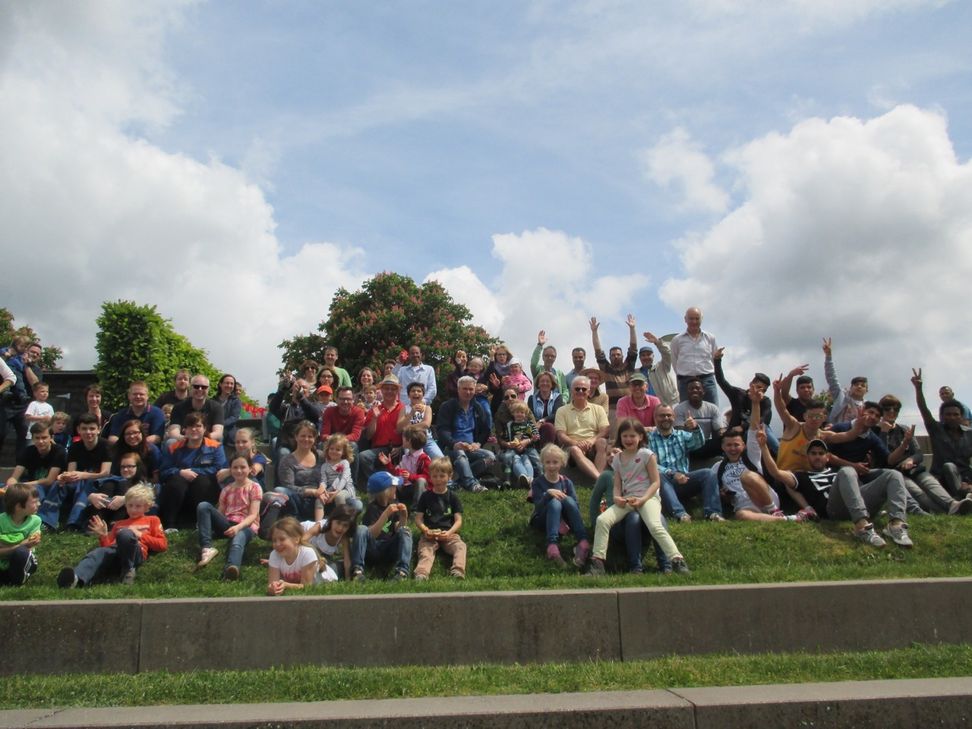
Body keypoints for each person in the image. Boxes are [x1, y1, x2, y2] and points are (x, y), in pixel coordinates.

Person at [759, 436, 913, 548]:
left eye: (821, 453)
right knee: (847, 471)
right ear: (808, 457)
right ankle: (862, 527)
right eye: (813, 453)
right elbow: (776, 473)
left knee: (893, 474)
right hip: (834, 509)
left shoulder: (837, 471)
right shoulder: (802, 476)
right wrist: (764, 446)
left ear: (827, 457)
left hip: (861, 502)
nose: (817, 456)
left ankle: (896, 525)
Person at [588, 418, 689, 576]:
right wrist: (616, 498)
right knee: (602, 520)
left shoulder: (646, 455)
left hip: (648, 498)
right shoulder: (617, 460)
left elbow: (656, 482)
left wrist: (643, 499)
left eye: (632, 436)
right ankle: (597, 563)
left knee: (655, 525)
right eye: (625, 436)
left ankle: (677, 560)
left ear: (641, 437)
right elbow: (617, 485)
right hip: (628, 499)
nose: (628, 440)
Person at [875, 393, 972, 515]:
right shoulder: (874, 430)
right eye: (887, 409)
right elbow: (883, 458)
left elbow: (918, 453)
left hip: (912, 469)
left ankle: (953, 505)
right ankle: (944, 511)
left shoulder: (904, 429)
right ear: (881, 411)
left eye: (896, 409)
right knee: (917, 491)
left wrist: (911, 460)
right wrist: (884, 432)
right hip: (893, 472)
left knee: (930, 484)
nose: (892, 411)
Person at [57, 484, 168, 588]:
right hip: (116, 552)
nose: (133, 509)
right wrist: (103, 535)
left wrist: (140, 535)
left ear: (147, 507)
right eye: (130, 505)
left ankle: (128, 569)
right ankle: (76, 579)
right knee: (98, 552)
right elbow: (108, 546)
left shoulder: (152, 520)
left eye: (138, 506)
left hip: (135, 552)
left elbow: (162, 545)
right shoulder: (119, 524)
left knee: (125, 534)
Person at [713, 387, 795, 522]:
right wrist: (723, 495)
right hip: (745, 506)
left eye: (736, 445)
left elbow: (753, 428)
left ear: (743, 446)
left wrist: (755, 403)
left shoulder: (750, 456)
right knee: (741, 515)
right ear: (723, 447)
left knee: (747, 476)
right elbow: (714, 489)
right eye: (729, 445)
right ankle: (787, 519)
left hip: (765, 498)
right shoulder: (717, 467)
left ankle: (773, 510)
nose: (733, 448)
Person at [649, 405, 722, 522]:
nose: (666, 418)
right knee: (660, 476)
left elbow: (698, 443)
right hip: (661, 484)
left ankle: (713, 513)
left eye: (669, 415)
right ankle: (680, 514)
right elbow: (650, 464)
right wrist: (672, 474)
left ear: (674, 417)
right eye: (662, 415)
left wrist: (695, 428)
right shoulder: (648, 438)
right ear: (655, 418)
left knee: (708, 473)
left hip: (684, 480)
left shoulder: (681, 435)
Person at [196, 453, 262, 580]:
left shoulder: (254, 487)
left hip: (246, 525)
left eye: (243, 467)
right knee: (203, 505)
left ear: (250, 468)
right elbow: (220, 512)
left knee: (238, 541)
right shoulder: (226, 489)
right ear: (230, 470)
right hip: (227, 523)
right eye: (235, 467)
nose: (239, 470)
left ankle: (231, 568)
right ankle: (207, 548)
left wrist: (238, 528)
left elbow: (253, 515)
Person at [158, 413, 227, 529]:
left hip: (205, 490)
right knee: (177, 480)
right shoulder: (173, 447)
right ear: (184, 429)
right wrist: (180, 472)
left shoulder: (216, 446)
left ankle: (201, 522)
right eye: (190, 426)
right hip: (179, 491)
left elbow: (219, 469)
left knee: (202, 480)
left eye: (198, 426)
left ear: (205, 428)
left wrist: (193, 471)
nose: (194, 429)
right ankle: (170, 524)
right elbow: (164, 471)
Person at [912, 368, 972, 498]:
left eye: (955, 415)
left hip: (966, 478)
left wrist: (969, 482)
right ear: (942, 417)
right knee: (949, 466)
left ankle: (966, 494)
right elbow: (923, 409)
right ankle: (962, 499)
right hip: (942, 478)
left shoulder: (969, 434)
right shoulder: (936, 430)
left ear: (961, 416)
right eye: (948, 415)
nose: (952, 417)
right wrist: (918, 388)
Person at [529, 443, 590, 567]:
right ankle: (552, 545)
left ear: (562, 463)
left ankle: (583, 542)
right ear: (543, 463)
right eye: (548, 462)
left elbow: (575, 507)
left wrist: (564, 499)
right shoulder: (538, 482)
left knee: (566, 500)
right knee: (555, 501)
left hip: (563, 520)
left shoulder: (566, 482)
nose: (551, 466)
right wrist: (548, 494)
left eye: (555, 462)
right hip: (542, 519)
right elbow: (538, 507)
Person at [49, 413, 113, 531]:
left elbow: (105, 473)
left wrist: (83, 475)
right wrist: (64, 477)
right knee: (58, 484)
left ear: (99, 430)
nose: (88, 432)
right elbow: (71, 471)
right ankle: (47, 521)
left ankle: (74, 522)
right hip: (77, 481)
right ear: (78, 430)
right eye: (84, 429)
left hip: (97, 483)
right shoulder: (75, 447)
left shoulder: (106, 445)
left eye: (92, 428)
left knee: (86, 483)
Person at [435, 376, 496, 492]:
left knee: (491, 457)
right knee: (460, 454)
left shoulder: (477, 407)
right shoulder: (447, 406)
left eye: (471, 389)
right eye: (465, 389)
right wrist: (454, 443)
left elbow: (485, 430)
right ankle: (472, 485)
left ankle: (458, 482)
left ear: (475, 390)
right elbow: (442, 430)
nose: (468, 392)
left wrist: (478, 443)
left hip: (471, 447)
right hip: (451, 447)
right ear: (458, 390)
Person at [350, 471, 412, 582]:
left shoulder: (394, 505)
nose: (396, 488)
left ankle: (402, 573)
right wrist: (385, 515)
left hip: (388, 549)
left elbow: (398, 529)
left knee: (405, 531)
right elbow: (372, 534)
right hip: (373, 548)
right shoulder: (372, 508)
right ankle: (357, 571)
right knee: (362, 529)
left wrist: (403, 517)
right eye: (394, 486)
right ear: (386, 491)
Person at [414, 457, 467, 580]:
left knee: (460, 546)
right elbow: (418, 519)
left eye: (442, 476)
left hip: (448, 533)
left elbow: (458, 520)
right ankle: (421, 573)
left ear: (450, 476)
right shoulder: (425, 496)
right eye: (434, 476)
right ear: (430, 477)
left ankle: (458, 570)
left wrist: (449, 533)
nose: (438, 480)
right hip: (430, 533)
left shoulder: (453, 497)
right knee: (425, 551)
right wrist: (425, 530)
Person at [553, 375, 609, 483]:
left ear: (588, 392)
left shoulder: (598, 409)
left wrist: (591, 441)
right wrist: (576, 443)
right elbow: (561, 435)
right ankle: (599, 480)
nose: (580, 391)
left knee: (602, 442)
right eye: (577, 388)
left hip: (592, 445)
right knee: (575, 450)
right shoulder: (562, 411)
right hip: (572, 448)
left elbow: (605, 430)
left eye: (584, 389)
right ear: (571, 391)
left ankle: (599, 477)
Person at [357, 375, 405, 488]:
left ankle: (399, 483)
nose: (389, 391)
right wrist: (374, 418)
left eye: (393, 388)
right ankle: (379, 483)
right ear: (381, 390)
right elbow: (368, 436)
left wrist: (401, 447)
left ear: (397, 391)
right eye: (386, 388)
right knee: (363, 456)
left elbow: (407, 432)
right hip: (379, 449)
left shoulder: (403, 408)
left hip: (399, 449)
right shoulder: (375, 409)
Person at [274, 420, 323, 520]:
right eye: (303, 436)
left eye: (310, 436)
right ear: (296, 437)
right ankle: (294, 520)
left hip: (320, 500)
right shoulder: (287, 460)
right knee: (280, 490)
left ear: (315, 439)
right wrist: (311, 491)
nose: (306, 439)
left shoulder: (321, 456)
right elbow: (288, 486)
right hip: (297, 500)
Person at [670, 307, 719, 404]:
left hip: (707, 380)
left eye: (697, 319)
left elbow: (714, 359)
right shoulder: (677, 340)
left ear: (701, 319)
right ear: (685, 319)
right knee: (686, 412)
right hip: (685, 381)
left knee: (713, 409)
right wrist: (684, 374)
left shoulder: (710, 338)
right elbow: (675, 361)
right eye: (691, 319)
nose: (694, 321)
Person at [4, 423, 65, 502]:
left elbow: (49, 480)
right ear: (32, 439)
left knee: (35, 490)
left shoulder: (59, 451)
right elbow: (14, 476)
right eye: (37, 438)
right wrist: (10, 483)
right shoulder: (28, 451)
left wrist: (20, 485)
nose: (40, 441)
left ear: (51, 437)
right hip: (30, 485)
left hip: (50, 488)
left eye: (44, 437)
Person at [590, 314, 638, 407]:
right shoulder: (606, 369)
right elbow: (598, 351)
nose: (616, 356)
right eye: (613, 355)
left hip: (630, 408)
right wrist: (594, 332)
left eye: (618, 354)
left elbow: (633, 348)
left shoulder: (629, 367)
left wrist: (632, 328)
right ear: (609, 357)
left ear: (623, 356)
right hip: (612, 409)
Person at [378, 424, 431, 507]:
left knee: (421, 481)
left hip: (417, 489)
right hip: (405, 487)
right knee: (389, 480)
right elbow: (398, 473)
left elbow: (428, 478)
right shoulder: (405, 457)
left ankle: (417, 507)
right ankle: (395, 505)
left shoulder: (424, 459)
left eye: (403, 437)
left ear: (409, 441)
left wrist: (411, 477)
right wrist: (389, 465)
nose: (402, 439)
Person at [266, 517, 322, 595]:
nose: (277, 544)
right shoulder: (274, 554)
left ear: (296, 539)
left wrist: (286, 585)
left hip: (324, 577)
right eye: (274, 540)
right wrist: (273, 588)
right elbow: (272, 583)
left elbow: (307, 587)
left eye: (282, 539)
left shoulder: (307, 553)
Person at [673, 377, 726, 459]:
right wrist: (687, 427)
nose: (694, 390)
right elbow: (678, 433)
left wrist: (725, 433)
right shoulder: (679, 409)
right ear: (687, 392)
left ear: (703, 391)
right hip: (688, 445)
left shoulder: (713, 408)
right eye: (691, 389)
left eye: (697, 388)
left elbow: (719, 430)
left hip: (706, 443)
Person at [0, 483, 42, 586]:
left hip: (22, 561)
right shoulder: (1, 520)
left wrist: (5, 546)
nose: (39, 504)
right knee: (20, 550)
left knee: (21, 554)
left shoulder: (35, 521)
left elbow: (30, 547)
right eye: (34, 502)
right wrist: (21, 545)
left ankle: (18, 581)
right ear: (18, 506)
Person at [313, 433, 362, 521]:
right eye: (332, 449)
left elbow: (344, 479)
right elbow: (324, 480)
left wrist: (336, 492)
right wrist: (322, 488)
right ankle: (318, 523)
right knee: (319, 499)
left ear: (343, 452)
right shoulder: (324, 466)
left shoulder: (344, 463)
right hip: (331, 489)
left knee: (339, 497)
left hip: (345, 489)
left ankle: (342, 521)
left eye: (338, 449)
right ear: (327, 449)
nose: (334, 451)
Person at [301, 504, 355, 581]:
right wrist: (318, 556)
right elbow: (301, 541)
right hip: (299, 539)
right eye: (338, 523)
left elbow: (347, 560)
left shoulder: (344, 537)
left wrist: (348, 579)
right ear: (332, 520)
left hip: (318, 556)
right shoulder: (320, 527)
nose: (340, 528)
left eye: (345, 525)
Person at [497, 400, 541, 490]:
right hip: (513, 448)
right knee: (507, 457)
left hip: (529, 447)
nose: (519, 414)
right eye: (517, 412)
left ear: (525, 414)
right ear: (513, 413)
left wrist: (528, 440)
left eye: (522, 412)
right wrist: (509, 444)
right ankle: (507, 480)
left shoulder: (529, 424)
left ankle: (540, 480)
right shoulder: (510, 425)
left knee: (537, 459)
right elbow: (505, 438)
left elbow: (537, 436)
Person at [823, 338, 868, 425]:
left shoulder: (867, 405)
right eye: (856, 384)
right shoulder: (841, 396)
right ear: (850, 388)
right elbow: (831, 377)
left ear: (866, 391)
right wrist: (828, 356)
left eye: (863, 385)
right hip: (838, 433)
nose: (859, 386)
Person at [168, 375, 225, 443]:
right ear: (190, 388)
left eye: (204, 387)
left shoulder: (216, 407)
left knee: (219, 439)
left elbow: (218, 433)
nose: (200, 389)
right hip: (184, 440)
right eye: (196, 386)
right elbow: (173, 432)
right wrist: (187, 439)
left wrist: (199, 439)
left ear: (208, 389)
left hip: (206, 440)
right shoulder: (178, 407)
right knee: (170, 442)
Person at [107, 381, 166, 446]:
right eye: (135, 394)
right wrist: (128, 445)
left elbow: (157, 437)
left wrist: (136, 444)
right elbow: (113, 438)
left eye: (141, 394)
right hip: (126, 449)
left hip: (148, 449)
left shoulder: (157, 413)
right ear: (129, 396)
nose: (138, 396)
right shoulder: (121, 414)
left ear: (147, 396)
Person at [396, 381, 444, 459]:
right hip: (409, 441)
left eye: (419, 391)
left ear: (423, 394)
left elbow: (426, 424)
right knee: (410, 461)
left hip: (426, 440)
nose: (416, 393)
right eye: (413, 391)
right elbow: (399, 428)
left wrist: (407, 428)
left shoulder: (427, 408)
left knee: (440, 459)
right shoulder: (404, 409)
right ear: (408, 395)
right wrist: (411, 413)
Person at [637, 331, 679, 407]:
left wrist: (657, 342)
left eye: (648, 355)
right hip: (647, 407)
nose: (646, 357)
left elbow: (667, 354)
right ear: (640, 358)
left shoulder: (662, 366)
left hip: (668, 405)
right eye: (643, 355)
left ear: (653, 356)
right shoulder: (636, 373)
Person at [527, 371, 563, 447]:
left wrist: (542, 421)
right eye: (542, 381)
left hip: (552, 428)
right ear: (538, 384)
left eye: (548, 381)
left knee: (548, 427)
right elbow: (530, 415)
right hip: (535, 427)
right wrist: (537, 423)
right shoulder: (531, 398)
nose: (545, 383)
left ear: (552, 384)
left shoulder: (558, 397)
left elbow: (556, 413)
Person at [530, 331, 568, 399]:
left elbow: (565, 390)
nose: (549, 358)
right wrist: (539, 345)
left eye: (552, 356)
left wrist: (563, 401)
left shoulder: (559, 373)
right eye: (547, 355)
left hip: (556, 405)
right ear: (543, 357)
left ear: (555, 358)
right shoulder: (538, 370)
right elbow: (533, 364)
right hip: (539, 404)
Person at [214, 373, 242, 445]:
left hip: (229, 431)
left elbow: (234, 417)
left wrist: (220, 425)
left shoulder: (236, 401)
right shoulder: (213, 400)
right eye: (227, 383)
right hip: (214, 429)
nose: (229, 385)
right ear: (220, 384)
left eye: (231, 384)